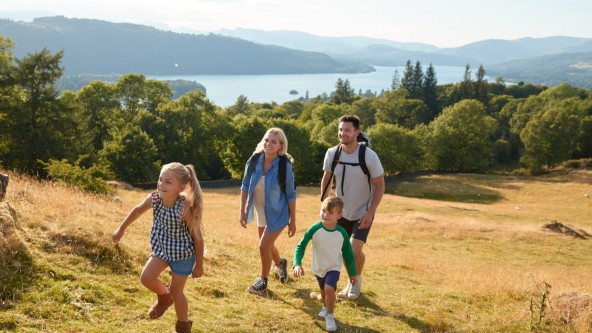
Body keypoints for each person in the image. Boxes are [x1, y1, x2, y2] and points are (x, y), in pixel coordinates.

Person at [112, 162, 204, 333]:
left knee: (177, 291)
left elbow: (198, 238)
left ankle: (183, 325)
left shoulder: (184, 208)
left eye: (168, 182)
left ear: (181, 187)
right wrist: (121, 229)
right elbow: (137, 211)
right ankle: (164, 297)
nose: (161, 184)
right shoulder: (154, 198)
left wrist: (199, 265)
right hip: (162, 249)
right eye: (161, 179)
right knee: (146, 278)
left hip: (183, 254)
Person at [320, 114, 385, 300]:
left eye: (347, 130)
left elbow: (380, 185)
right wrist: (325, 207)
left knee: (353, 249)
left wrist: (370, 212)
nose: (343, 133)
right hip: (340, 212)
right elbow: (326, 180)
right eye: (340, 129)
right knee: (346, 251)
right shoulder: (332, 154)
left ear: (357, 132)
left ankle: (353, 282)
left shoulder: (369, 156)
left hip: (363, 211)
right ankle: (354, 278)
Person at [239, 127, 297, 294]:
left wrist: (293, 221)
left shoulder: (284, 165)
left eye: (273, 141)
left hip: (278, 213)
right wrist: (241, 211)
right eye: (266, 140)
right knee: (268, 246)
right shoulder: (254, 160)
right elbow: (244, 186)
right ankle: (280, 263)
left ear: (281, 145)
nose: (269, 144)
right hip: (261, 211)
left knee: (263, 246)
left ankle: (262, 281)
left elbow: (291, 195)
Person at [293, 196, 357, 332]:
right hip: (318, 267)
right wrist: (297, 263)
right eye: (323, 211)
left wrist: (353, 273)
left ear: (339, 215)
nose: (325, 214)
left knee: (329, 288)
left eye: (329, 212)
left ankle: (330, 316)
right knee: (323, 290)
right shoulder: (314, 228)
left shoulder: (342, 233)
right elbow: (301, 245)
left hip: (333, 267)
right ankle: (325, 307)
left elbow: (348, 254)